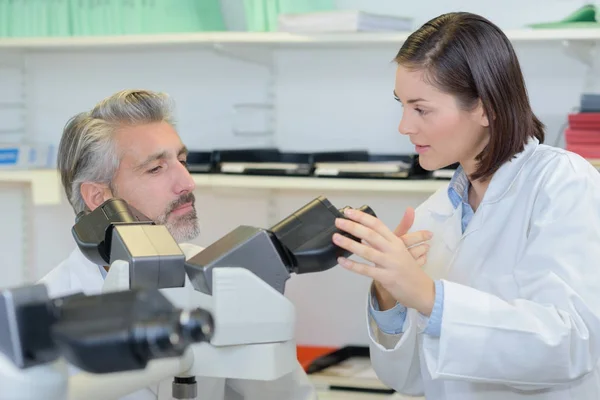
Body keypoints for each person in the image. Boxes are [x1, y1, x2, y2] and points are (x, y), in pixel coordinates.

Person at [332, 11, 600, 400]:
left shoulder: (562, 182)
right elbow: (408, 380)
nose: (404, 126)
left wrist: (427, 295)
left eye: (421, 109)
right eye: (401, 105)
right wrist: (389, 293)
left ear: (485, 107)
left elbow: (571, 346)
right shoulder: (431, 214)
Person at [38, 89, 317, 400]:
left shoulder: (213, 279)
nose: (187, 182)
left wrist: (262, 321)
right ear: (99, 198)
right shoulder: (42, 322)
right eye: (156, 168)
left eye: (182, 161)